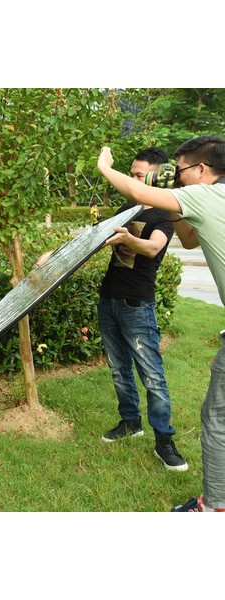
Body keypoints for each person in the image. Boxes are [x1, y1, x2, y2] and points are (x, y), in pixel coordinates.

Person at [97, 135, 225, 511]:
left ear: (202, 170)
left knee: (216, 419)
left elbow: (155, 238)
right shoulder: (210, 200)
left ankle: (214, 507)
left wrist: (105, 165)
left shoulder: (205, 195)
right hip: (113, 298)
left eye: (182, 170)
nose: (178, 178)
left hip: (139, 302)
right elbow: (188, 239)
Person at [98, 147, 188, 472]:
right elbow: (93, 237)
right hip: (108, 300)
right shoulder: (127, 208)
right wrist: (53, 255)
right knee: (118, 369)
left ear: (156, 175)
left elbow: (152, 248)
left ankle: (164, 441)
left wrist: (130, 241)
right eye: (131, 173)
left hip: (137, 305)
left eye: (138, 175)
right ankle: (130, 423)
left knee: (151, 375)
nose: (132, 180)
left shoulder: (164, 215)